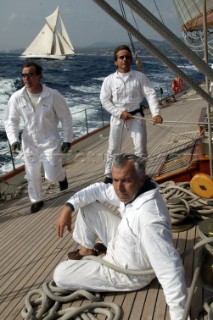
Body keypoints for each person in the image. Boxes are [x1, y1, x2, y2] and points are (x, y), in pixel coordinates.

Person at [54, 153, 188, 320]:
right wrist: (68, 207)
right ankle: (87, 251)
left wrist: (180, 316)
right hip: (125, 242)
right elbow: (98, 189)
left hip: (129, 271)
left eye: (125, 180)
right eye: (115, 180)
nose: (118, 187)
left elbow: (170, 270)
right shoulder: (134, 191)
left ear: (141, 179)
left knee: (60, 274)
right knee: (88, 206)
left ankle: (103, 258)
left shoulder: (150, 220)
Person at [5, 62, 73, 213]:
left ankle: (61, 176)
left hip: (49, 140)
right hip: (29, 142)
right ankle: (37, 199)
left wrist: (67, 139)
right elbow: (11, 120)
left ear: (39, 76)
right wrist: (13, 140)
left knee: (52, 176)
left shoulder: (53, 95)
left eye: (30, 74)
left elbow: (66, 117)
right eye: (24, 75)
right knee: (32, 173)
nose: (26, 78)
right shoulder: (17, 97)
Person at [100, 45, 163, 184]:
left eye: (127, 56)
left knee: (141, 148)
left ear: (131, 59)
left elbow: (150, 94)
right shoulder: (109, 80)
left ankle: (140, 175)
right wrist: (119, 113)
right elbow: (104, 100)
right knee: (113, 148)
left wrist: (156, 113)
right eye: (121, 57)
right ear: (115, 61)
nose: (124, 59)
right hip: (118, 118)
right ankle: (109, 175)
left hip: (136, 117)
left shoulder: (140, 77)